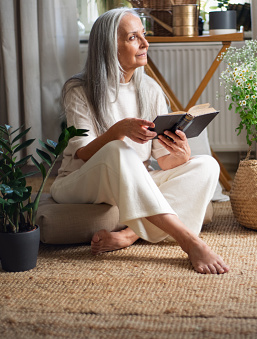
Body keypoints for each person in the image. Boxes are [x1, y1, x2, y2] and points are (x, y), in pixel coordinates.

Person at [50, 8, 229, 275]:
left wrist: (180, 156)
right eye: (133, 37)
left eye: (143, 35)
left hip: (133, 180)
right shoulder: (79, 90)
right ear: (110, 46)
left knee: (207, 166)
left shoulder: (150, 90)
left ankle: (129, 235)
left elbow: (163, 161)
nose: (146, 44)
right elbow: (82, 153)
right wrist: (118, 130)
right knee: (118, 149)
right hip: (79, 181)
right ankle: (189, 241)